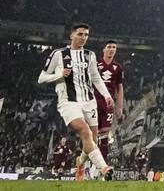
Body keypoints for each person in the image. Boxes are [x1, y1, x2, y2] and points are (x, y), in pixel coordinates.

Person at [37, 22, 113, 179]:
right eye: (80, 34)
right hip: (68, 101)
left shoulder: (89, 55)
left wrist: (107, 95)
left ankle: (80, 161)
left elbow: (96, 78)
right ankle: (103, 168)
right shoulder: (58, 54)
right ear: (71, 35)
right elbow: (42, 78)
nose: (83, 37)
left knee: (92, 139)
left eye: (86, 35)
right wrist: (59, 75)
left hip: (89, 101)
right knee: (84, 130)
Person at [94, 40, 125, 165]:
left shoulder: (118, 68)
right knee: (92, 134)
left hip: (108, 104)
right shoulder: (96, 64)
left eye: (114, 47)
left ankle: (102, 165)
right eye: (109, 47)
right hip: (94, 102)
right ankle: (87, 162)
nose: (112, 49)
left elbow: (120, 88)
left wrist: (120, 106)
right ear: (104, 49)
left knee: (105, 134)